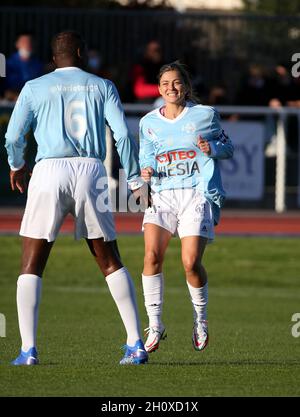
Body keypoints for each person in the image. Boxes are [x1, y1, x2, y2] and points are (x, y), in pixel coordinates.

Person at [5, 30, 148, 366]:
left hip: (48, 170)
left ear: (54, 59)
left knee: (32, 261)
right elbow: (123, 134)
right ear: (81, 53)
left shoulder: (34, 87)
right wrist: (134, 177)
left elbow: (14, 136)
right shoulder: (103, 86)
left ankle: (28, 351)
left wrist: (16, 163)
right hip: (91, 170)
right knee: (109, 257)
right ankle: (136, 343)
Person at [139, 62, 234, 353]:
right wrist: (146, 171)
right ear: (159, 89)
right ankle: (155, 325)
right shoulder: (148, 123)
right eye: (165, 83)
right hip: (162, 196)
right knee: (152, 256)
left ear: (186, 86)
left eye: (177, 82)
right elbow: (146, 157)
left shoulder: (205, 116)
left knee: (190, 263)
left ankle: (200, 319)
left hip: (196, 195)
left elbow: (228, 148)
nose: (171, 88)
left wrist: (212, 149)